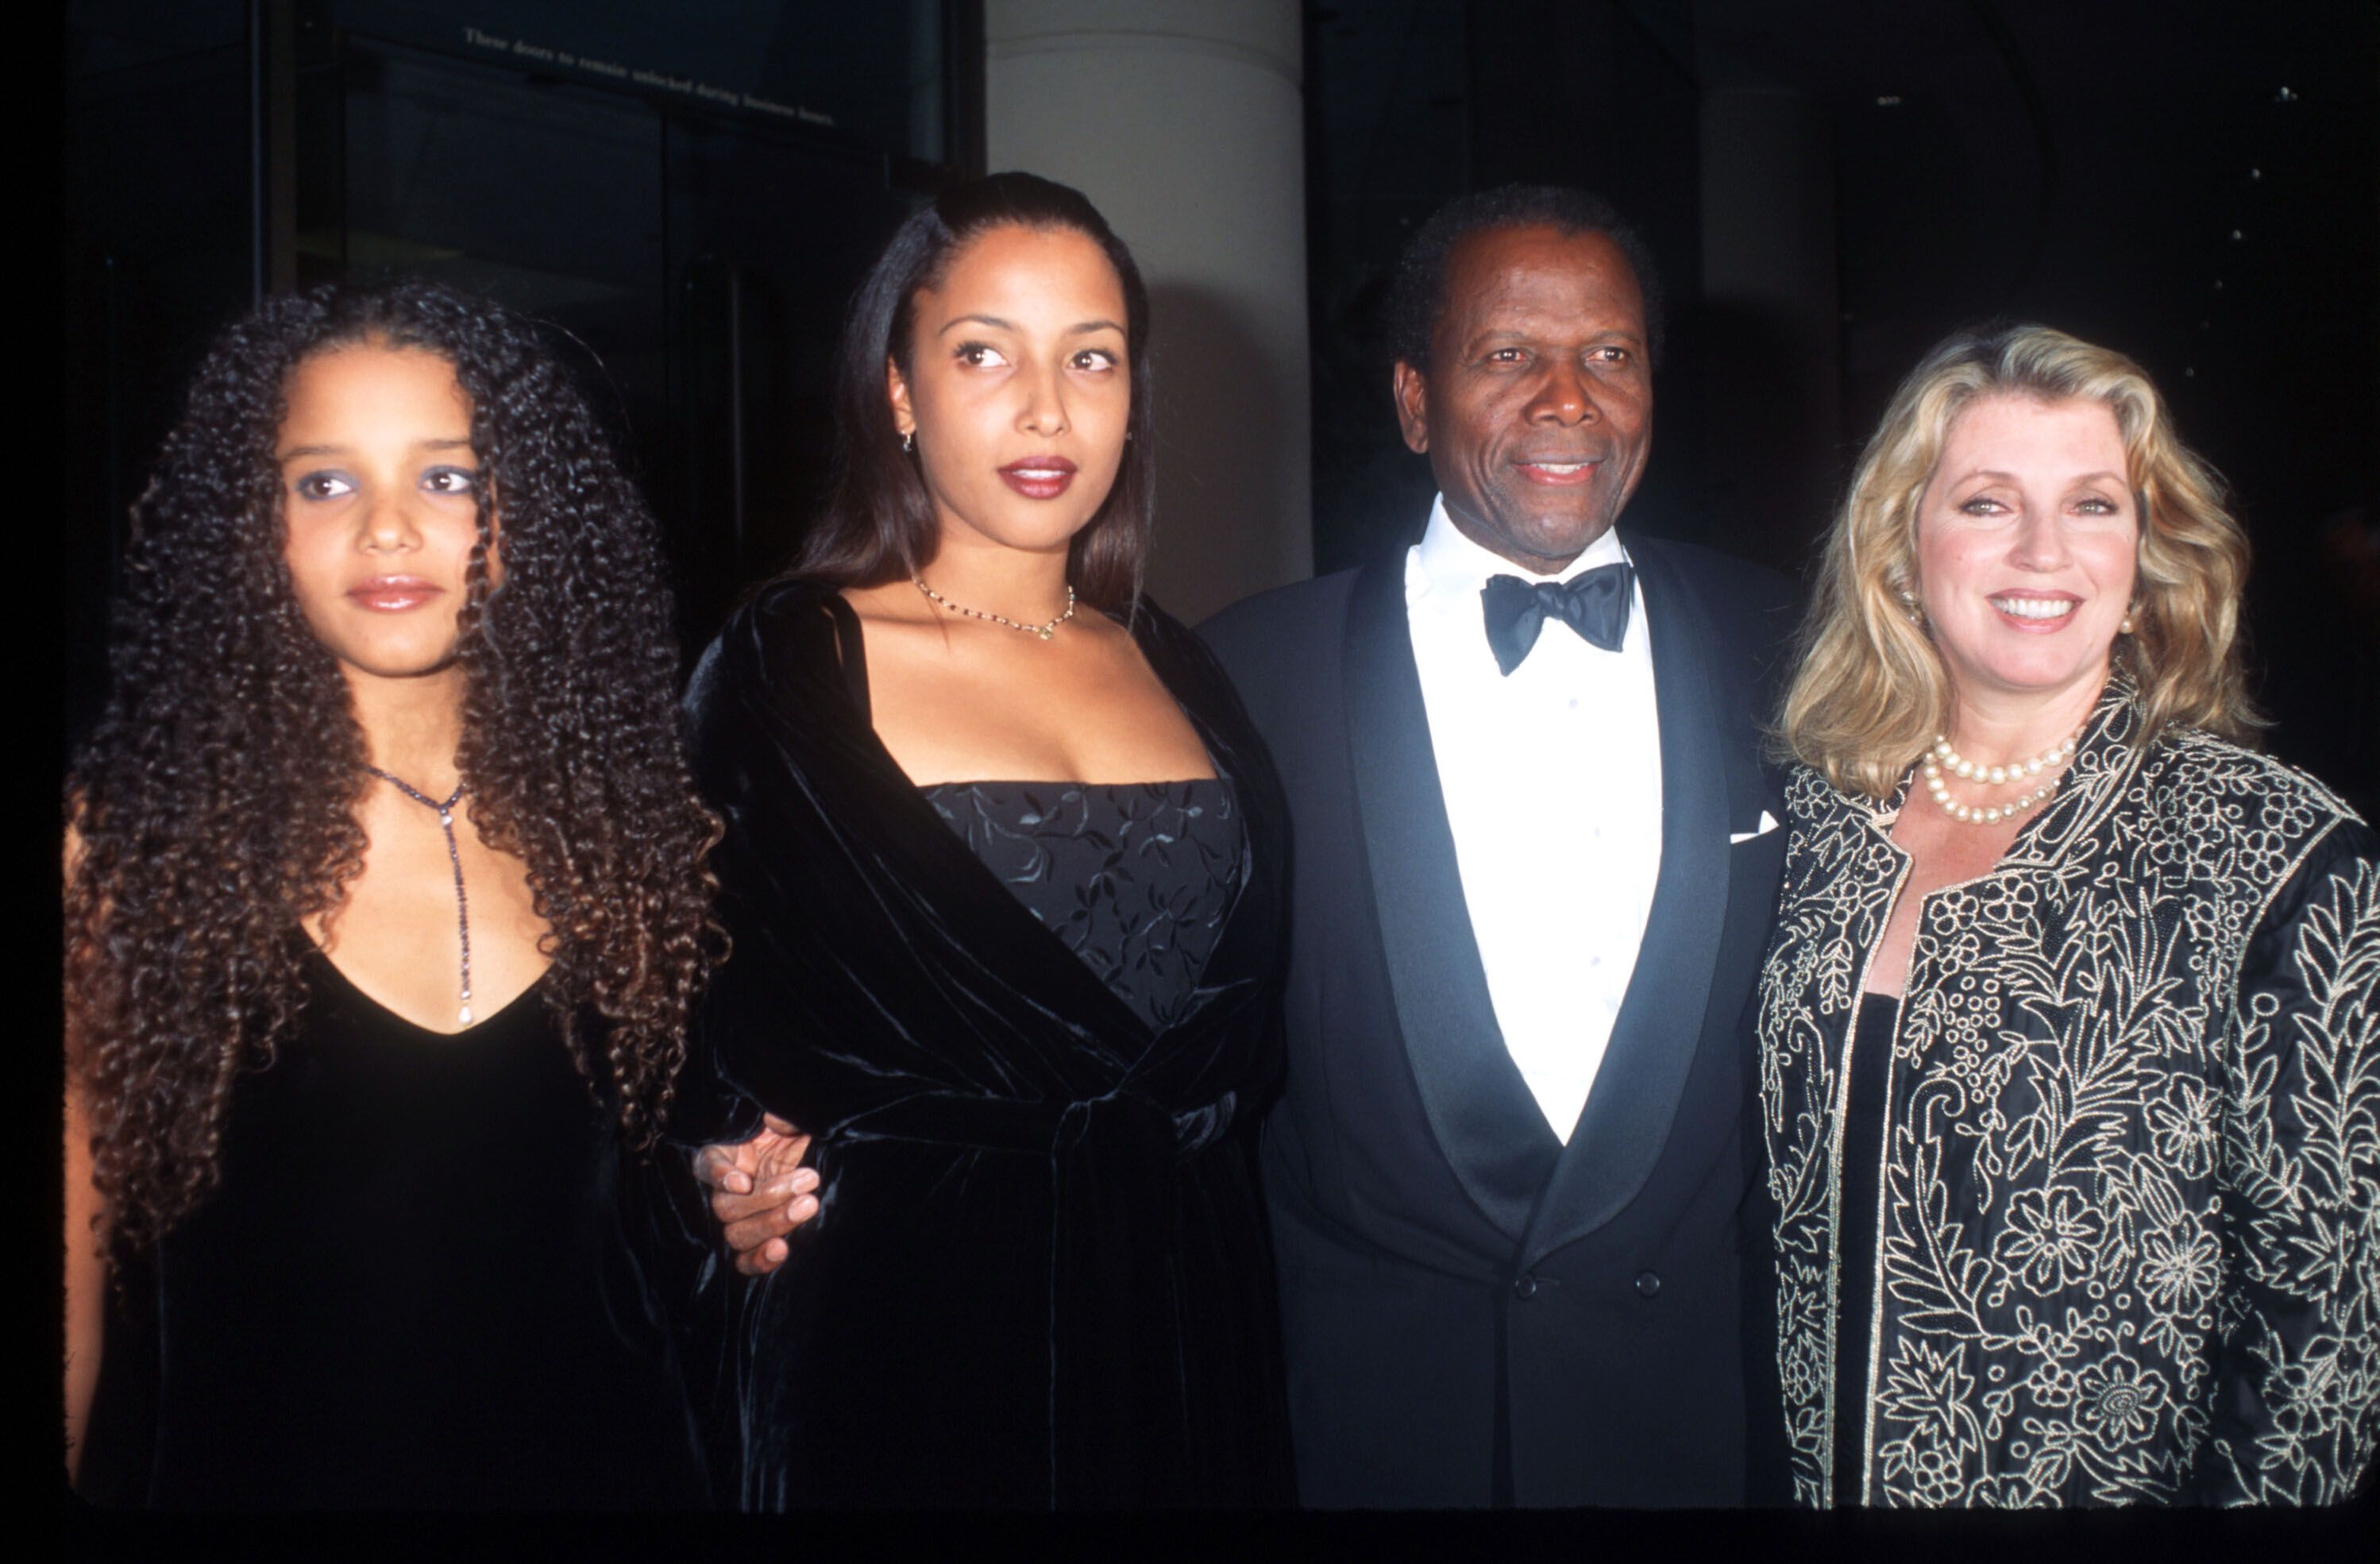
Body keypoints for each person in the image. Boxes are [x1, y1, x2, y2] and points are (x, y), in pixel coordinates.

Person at [671, 171, 1295, 1509]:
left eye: (1091, 357)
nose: (1044, 407)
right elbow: (657, 991)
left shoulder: (1183, 664)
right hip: (900, 1337)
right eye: (981, 353)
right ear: (898, 389)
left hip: (1180, 1318)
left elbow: (1246, 1035)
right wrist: (707, 1158)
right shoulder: (788, 660)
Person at [62, 280, 724, 1508]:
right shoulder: (134, 854)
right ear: (253, 526)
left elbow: (634, 1224)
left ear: (530, 514)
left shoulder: (639, 840)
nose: (385, 529)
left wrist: (732, 1199)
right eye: (324, 482)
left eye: (447, 476)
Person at [1198, 185, 1801, 1507]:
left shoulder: (1791, 651)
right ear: (1415, 402)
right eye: (1507, 354)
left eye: (1609, 355)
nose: (1569, 398)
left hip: (1689, 1428)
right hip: (1366, 1430)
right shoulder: (1244, 673)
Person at [1757, 322, 2380, 1507]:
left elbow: (2327, 1352)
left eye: (2092, 505)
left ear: (2146, 555)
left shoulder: (2278, 858)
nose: (2044, 550)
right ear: (1902, 547)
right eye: (1988, 502)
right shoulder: (1805, 818)